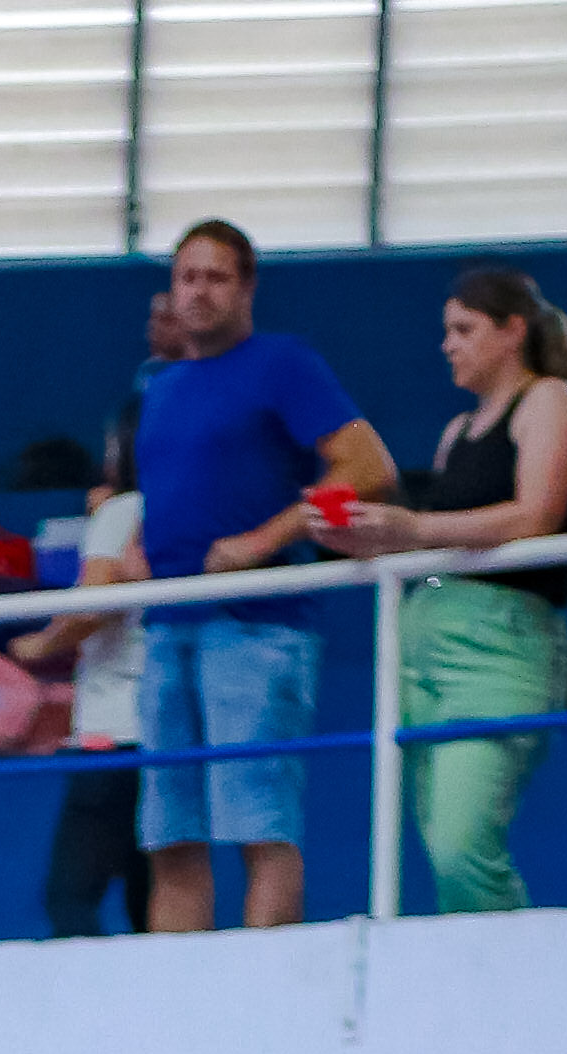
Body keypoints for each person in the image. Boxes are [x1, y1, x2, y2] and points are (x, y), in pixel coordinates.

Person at [129, 221, 390, 939]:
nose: (199, 292)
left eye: (216, 277)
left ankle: (267, 984)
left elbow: (369, 468)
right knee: (170, 836)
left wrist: (268, 538)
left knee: (259, 823)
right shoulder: (161, 387)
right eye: (187, 277)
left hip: (257, 626)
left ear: (247, 288)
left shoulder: (283, 364)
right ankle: (179, 990)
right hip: (166, 625)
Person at [331, 266, 567, 916]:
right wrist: (364, 537)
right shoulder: (456, 432)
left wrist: (412, 526)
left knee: (462, 843)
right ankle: (479, 958)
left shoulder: (550, 401)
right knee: (439, 846)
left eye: (464, 329)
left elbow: (536, 515)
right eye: (447, 331)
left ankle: (512, 963)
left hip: (499, 648)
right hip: (424, 645)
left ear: (513, 331)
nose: (448, 345)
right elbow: (436, 540)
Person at [3, 459, 148, 936]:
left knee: (69, 896)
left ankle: (98, 986)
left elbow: (91, 607)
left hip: (114, 732)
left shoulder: (122, 510)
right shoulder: (185, 506)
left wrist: (38, 645)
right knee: (148, 895)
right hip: (168, 725)